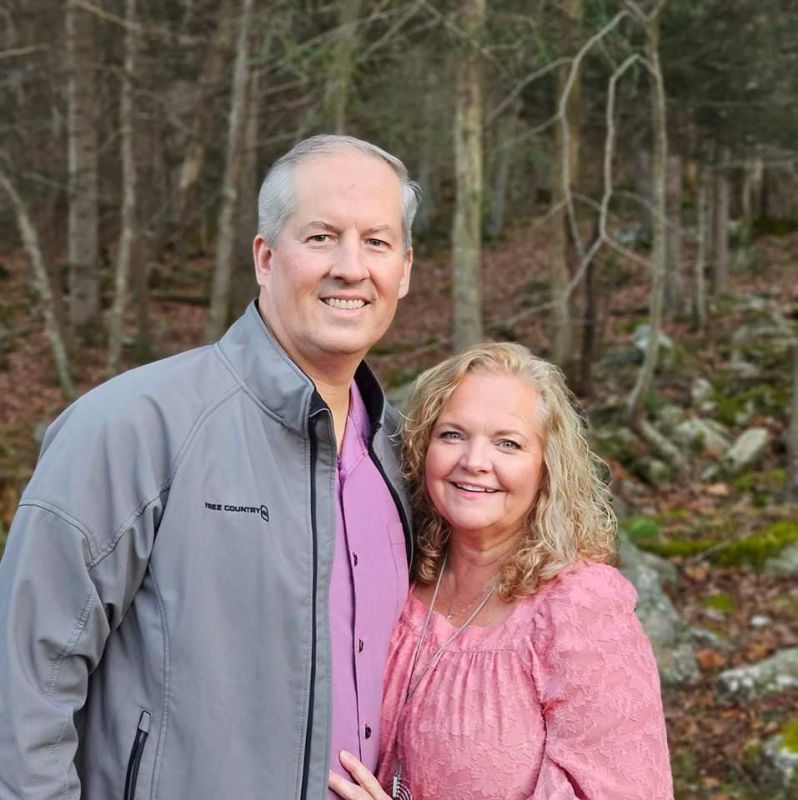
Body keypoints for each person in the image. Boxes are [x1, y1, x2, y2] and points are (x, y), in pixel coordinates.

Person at [0, 134, 419, 800]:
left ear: (404, 268)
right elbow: (23, 686)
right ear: (265, 257)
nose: (350, 267)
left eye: (376, 242)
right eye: (321, 237)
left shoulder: (407, 457)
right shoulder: (133, 427)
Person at [329, 342, 674, 800]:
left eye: (507, 443)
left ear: (546, 466)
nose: (474, 462)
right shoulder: (396, 575)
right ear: (422, 447)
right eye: (452, 434)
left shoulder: (580, 609)